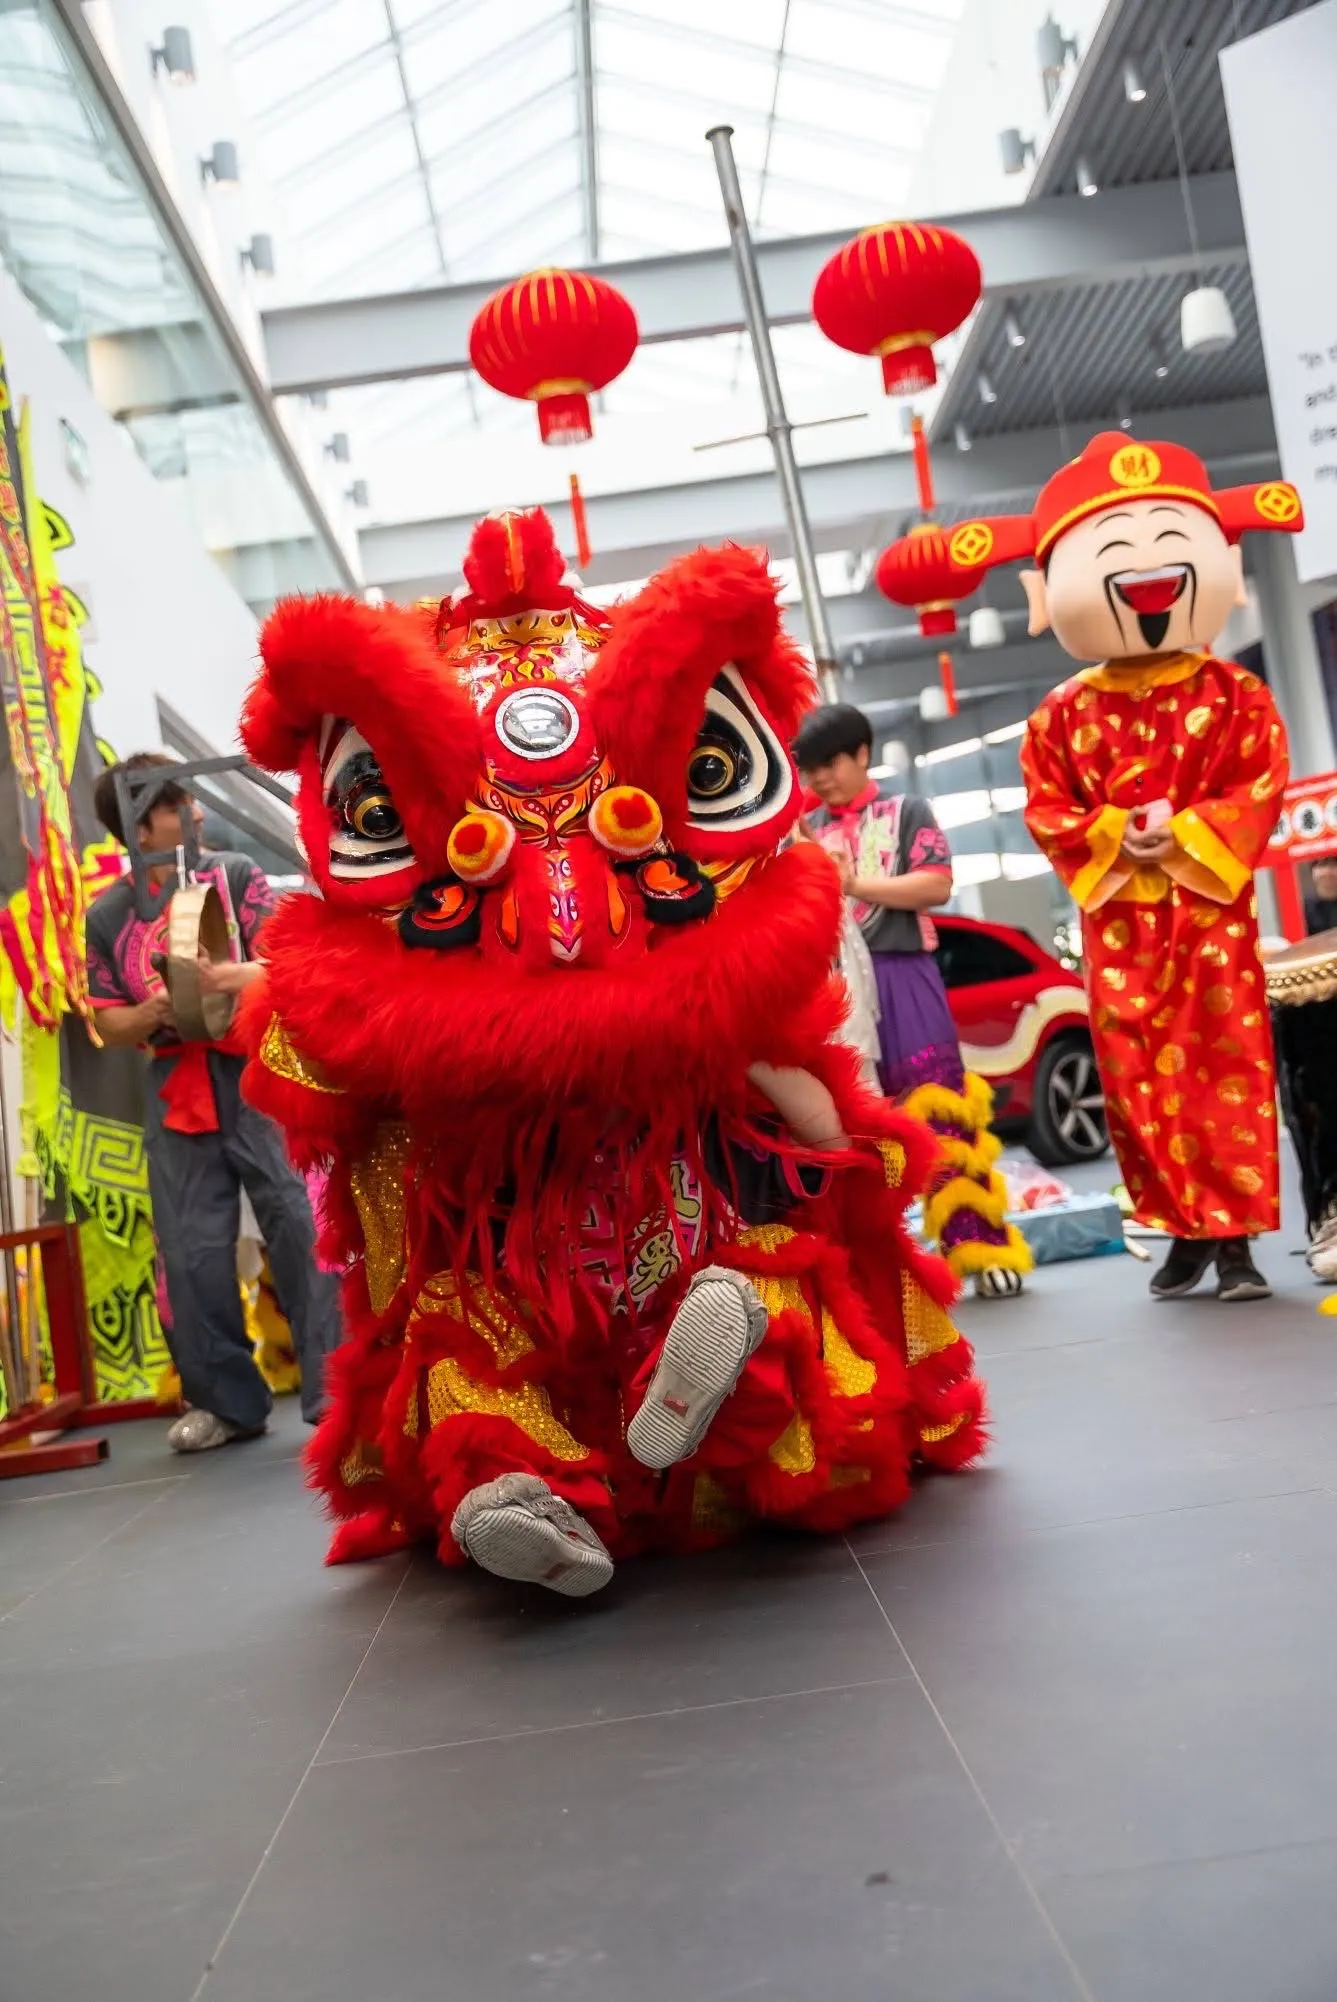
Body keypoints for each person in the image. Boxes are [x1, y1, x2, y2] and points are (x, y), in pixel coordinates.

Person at [888, 432, 1301, 1301]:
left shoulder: (1236, 695)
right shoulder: (1057, 717)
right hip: (1119, 928)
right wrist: (1116, 834)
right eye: (1113, 549)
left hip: (1206, 919)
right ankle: (1179, 1231)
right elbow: (1045, 809)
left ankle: (1234, 1244)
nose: (1147, 572)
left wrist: (1187, 832)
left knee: (1225, 1070)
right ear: (1044, 594)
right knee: (1135, 1076)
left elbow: (1258, 781)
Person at [85, 753, 340, 1449]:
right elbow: (108, 1020)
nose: (195, 813)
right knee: (191, 1249)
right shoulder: (108, 914)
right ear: (141, 831)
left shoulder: (235, 877)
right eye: (176, 806)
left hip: (254, 1069)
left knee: (300, 1222)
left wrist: (224, 978)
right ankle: (225, 1403)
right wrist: (155, 1008)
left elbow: (281, 963)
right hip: (175, 1091)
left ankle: (337, 1394)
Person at [794, 703, 1030, 1299]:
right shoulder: (805, 831)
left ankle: (976, 1243)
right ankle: (881, 1265)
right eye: (811, 768)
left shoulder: (906, 813)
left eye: (831, 763)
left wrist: (852, 885)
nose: (821, 779)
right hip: (836, 984)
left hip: (903, 973)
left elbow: (937, 883)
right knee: (854, 1120)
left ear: (863, 755)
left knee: (938, 1103)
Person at [1304, 855, 1337, 937]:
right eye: (1321, 866)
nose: (1327, 872)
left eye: (1333, 865)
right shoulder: (1303, 907)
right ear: (1312, 871)